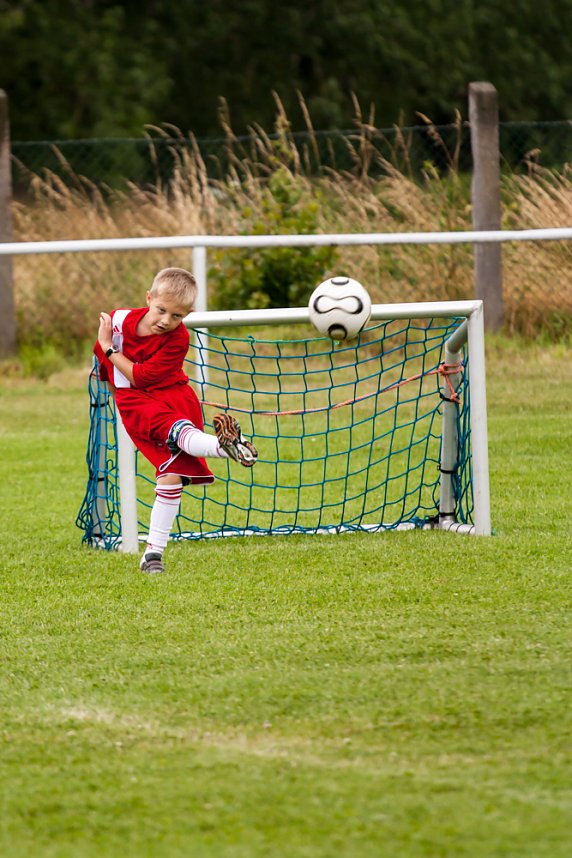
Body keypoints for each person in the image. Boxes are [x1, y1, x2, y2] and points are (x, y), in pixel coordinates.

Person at [94, 266, 258, 574]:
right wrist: (104, 362)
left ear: (188, 314)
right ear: (149, 298)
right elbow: (106, 365)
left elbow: (141, 375)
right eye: (162, 310)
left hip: (173, 396)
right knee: (175, 440)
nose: (166, 321)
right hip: (135, 402)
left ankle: (152, 555)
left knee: (170, 477)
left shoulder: (178, 339)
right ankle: (226, 448)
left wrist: (108, 349)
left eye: (177, 316)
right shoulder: (117, 322)